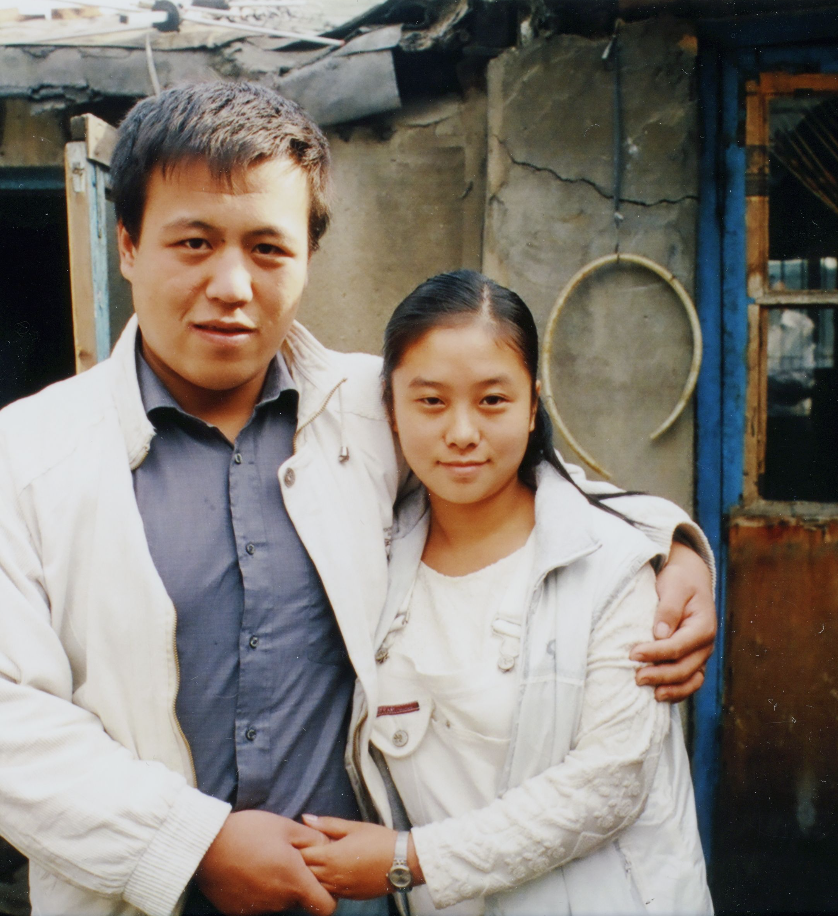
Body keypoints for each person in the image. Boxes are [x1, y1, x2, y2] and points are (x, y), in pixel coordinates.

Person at [0, 82, 716, 916]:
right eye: (193, 242)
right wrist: (193, 845)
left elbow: (525, 472)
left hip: (361, 899)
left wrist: (672, 546)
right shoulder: (22, 461)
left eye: (268, 248)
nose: (232, 283)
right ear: (126, 244)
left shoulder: (373, 408)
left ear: (307, 255)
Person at [296, 271, 713, 915]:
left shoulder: (613, 568)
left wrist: (409, 861)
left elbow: (609, 784)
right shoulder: (371, 562)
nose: (462, 432)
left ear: (533, 405)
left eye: (492, 400)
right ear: (390, 411)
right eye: (430, 402)